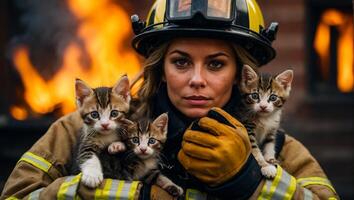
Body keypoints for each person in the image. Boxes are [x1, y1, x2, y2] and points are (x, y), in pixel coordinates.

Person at [1, 0, 339, 199]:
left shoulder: (278, 148)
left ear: (239, 74)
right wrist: (136, 195)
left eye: (216, 64)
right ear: (160, 69)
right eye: (180, 62)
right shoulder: (83, 129)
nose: (196, 79)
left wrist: (249, 181)